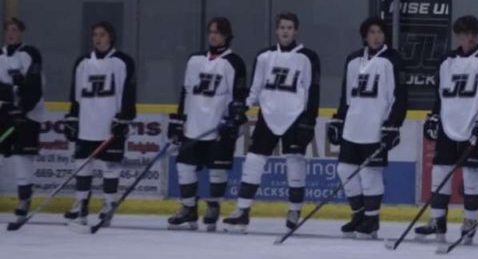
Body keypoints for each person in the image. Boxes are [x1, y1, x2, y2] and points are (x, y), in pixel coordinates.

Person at [225, 12, 320, 231]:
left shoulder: (308, 57)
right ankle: (242, 210)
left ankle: (294, 210)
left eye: (289, 27)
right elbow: (256, 88)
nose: (285, 31)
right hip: (267, 116)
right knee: (253, 161)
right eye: (282, 27)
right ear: (276, 30)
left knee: (295, 163)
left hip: (295, 117)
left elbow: (312, 90)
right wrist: (244, 106)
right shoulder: (264, 56)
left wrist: (309, 120)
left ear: (296, 31)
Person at [415, 15, 478, 244]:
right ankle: (437, 220)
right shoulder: (447, 60)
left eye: (473, 33)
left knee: (471, 175)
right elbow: (440, 94)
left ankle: (469, 221)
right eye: (465, 33)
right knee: (440, 172)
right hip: (448, 123)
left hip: (474, 124)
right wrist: (434, 115)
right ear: (458, 35)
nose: (470, 37)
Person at [327, 17, 407, 239]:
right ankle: (359, 215)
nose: (376, 36)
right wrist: (338, 119)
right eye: (372, 32)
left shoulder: (393, 59)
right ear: (365, 35)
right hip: (353, 127)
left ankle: (372, 220)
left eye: (380, 32)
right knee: (344, 170)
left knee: (371, 174)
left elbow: (400, 96)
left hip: (376, 126)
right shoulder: (353, 59)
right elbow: (346, 95)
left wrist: (393, 125)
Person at [166, 17, 248, 232]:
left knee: (217, 171)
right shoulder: (194, 60)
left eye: (218, 32)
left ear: (227, 35)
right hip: (194, 125)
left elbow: (239, 96)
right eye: (210, 31)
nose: (213, 35)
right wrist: (178, 121)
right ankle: (188, 207)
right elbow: (185, 92)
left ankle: (213, 205)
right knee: (184, 167)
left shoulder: (234, 62)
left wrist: (234, 118)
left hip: (218, 127)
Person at [62, 22, 136, 227]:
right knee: (82, 165)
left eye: (102, 35)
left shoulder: (122, 61)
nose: (97, 38)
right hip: (87, 124)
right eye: (95, 35)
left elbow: (129, 92)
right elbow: (75, 94)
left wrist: (125, 117)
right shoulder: (83, 62)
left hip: (110, 125)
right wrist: (72, 117)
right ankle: (81, 204)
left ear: (111, 37)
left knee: (110, 167)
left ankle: (108, 204)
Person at [0, 18, 46, 224]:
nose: (11, 34)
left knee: (22, 157)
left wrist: (23, 108)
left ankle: (24, 198)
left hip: (28, 115)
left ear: (21, 33)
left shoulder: (30, 53)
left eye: (15, 30)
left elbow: (34, 84)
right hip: (5, 112)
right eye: (8, 30)